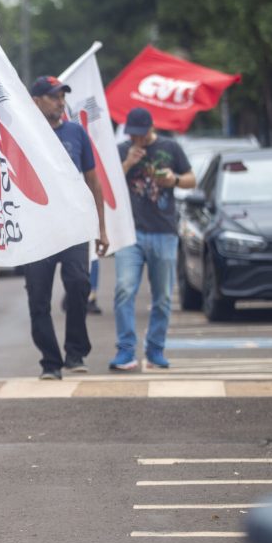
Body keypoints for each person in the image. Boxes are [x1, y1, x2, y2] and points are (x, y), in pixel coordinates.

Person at [22, 76, 109, 380]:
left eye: (62, 97)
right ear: (36, 102)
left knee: (78, 286)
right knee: (38, 298)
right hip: (37, 231)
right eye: (54, 97)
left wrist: (101, 228)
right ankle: (50, 361)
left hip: (74, 227)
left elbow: (93, 181)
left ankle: (75, 352)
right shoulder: (23, 135)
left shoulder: (76, 133)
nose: (61, 102)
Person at [109, 106, 195, 371]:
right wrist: (128, 163)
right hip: (129, 233)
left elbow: (192, 179)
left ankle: (155, 349)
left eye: (141, 135)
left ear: (151, 129)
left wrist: (174, 179)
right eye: (132, 135)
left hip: (163, 232)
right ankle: (125, 350)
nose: (136, 140)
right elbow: (108, 183)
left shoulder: (171, 148)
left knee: (163, 296)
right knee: (124, 289)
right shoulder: (122, 150)